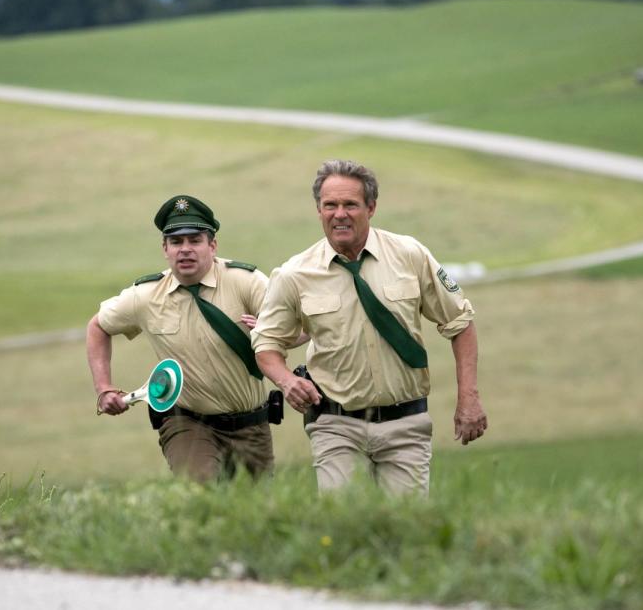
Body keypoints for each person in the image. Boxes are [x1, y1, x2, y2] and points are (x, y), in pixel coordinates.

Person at [252, 160, 488, 495]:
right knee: (342, 527)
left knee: (408, 532)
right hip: (336, 425)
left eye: (350, 204)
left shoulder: (410, 255)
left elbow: (460, 323)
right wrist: (286, 380)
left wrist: (469, 398)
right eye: (330, 205)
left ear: (371, 207)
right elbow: (266, 342)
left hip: (406, 424)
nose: (340, 214)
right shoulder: (294, 274)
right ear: (318, 210)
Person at [86, 195, 275, 482]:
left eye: (195, 240)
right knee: (201, 491)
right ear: (165, 248)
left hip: (251, 422)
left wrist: (271, 332)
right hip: (187, 420)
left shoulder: (246, 281)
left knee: (257, 512)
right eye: (176, 242)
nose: (185, 249)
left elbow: (297, 328)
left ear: (212, 245)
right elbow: (98, 327)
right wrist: (104, 388)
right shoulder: (146, 295)